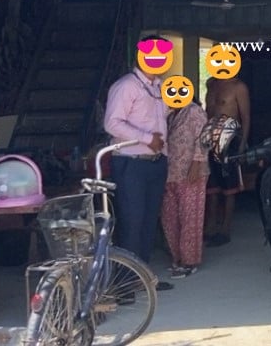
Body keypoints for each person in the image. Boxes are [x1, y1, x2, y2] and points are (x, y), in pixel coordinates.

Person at [104, 35, 174, 291]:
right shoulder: (126, 86)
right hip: (131, 163)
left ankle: (142, 278)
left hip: (155, 162)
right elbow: (112, 123)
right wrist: (147, 139)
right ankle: (123, 283)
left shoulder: (159, 87)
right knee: (132, 222)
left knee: (147, 222)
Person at [161, 97, 209, 279]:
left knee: (190, 217)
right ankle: (178, 257)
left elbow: (203, 139)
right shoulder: (170, 114)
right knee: (169, 217)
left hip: (191, 172)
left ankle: (189, 262)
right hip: (170, 173)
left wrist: (197, 163)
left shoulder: (194, 111)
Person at [204, 75, 251, 247]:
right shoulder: (211, 84)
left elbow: (245, 117)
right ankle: (210, 227)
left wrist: (242, 145)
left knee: (229, 187)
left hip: (230, 141)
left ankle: (225, 230)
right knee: (212, 187)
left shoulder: (239, 87)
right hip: (210, 140)